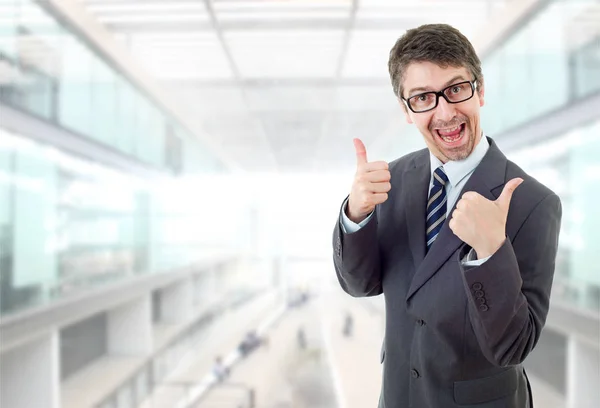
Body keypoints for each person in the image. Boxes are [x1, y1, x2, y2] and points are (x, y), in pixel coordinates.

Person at [332, 24, 562, 408]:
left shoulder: (534, 203)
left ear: (480, 90)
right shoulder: (391, 182)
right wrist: (356, 214)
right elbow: (360, 285)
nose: (445, 112)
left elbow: (515, 345)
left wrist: (491, 253)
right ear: (407, 110)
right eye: (423, 97)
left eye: (456, 89)